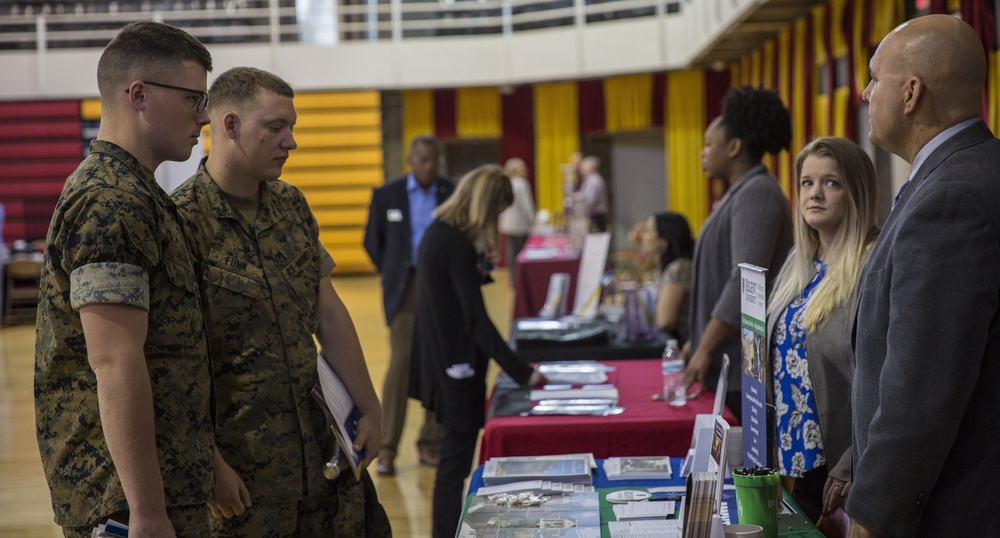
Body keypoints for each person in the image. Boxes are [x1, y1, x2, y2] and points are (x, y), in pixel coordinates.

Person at [171, 67, 391, 536]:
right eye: (275, 127)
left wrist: (369, 405)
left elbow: (327, 312)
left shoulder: (291, 205)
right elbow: (169, 366)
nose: (290, 141)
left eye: (292, 128)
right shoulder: (181, 222)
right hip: (244, 478)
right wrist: (206, 464)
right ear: (229, 126)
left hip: (323, 457)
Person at [34, 21, 215, 537]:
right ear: (138, 95)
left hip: (159, 481)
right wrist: (147, 510)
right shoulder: (110, 201)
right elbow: (114, 361)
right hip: (122, 498)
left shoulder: (135, 191)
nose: (202, 116)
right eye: (192, 99)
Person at [848, 15, 1000, 537]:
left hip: (946, 511)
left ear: (911, 93)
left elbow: (921, 390)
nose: (864, 92)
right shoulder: (971, 172)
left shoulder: (951, 200)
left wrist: (871, 515)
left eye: (874, 78)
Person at [409, 164, 546, 538]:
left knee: (453, 467)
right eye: (498, 212)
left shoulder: (444, 235)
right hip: (454, 368)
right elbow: (475, 320)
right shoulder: (452, 242)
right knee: (453, 469)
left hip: (448, 362)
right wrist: (523, 371)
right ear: (486, 205)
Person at [764, 137, 879, 523]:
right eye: (806, 183)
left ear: (856, 192)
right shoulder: (801, 262)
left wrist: (852, 460)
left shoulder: (871, 263)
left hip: (841, 466)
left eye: (831, 183)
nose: (815, 194)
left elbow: (881, 375)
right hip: (791, 460)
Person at [683, 86, 794, 418]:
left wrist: (705, 347)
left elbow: (745, 280)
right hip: (729, 361)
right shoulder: (740, 192)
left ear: (733, 147)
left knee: (745, 466)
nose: (703, 152)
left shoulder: (756, 192)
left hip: (743, 368)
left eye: (708, 144)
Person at [363, 135, 454, 476]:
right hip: (407, 287)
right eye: (424, 161)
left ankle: (429, 443)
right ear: (411, 161)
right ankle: (386, 449)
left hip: (442, 286)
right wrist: (394, 271)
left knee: (439, 362)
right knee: (402, 364)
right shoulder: (387, 195)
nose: (430, 167)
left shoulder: (451, 191)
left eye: (435, 161)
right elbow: (373, 243)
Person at [637, 210, 694, 341]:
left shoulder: (680, 267)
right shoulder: (660, 268)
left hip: (680, 345)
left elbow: (664, 321)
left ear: (663, 241)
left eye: (648, 231)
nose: (642, 236)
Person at [498, 157, 536, 280]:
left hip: (507, 223)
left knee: (512, 252)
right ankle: (521, 279)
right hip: (519, 224)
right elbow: (527, 205)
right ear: (516, 170)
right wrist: (533, 219)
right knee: (521, 253)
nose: (525, 169)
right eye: (522, 167)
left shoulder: (506, 182)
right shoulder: (521, 183)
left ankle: (513, 278)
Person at [577, 156, 609, 231]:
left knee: (595, 238)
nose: (581, 171)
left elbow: (589, 200)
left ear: (590, 168)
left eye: (583, 168)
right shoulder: (590, 179)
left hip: (595, 215)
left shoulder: (594, 180)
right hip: (593, 214)